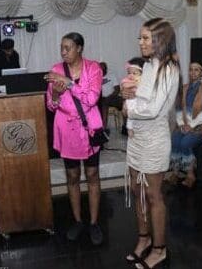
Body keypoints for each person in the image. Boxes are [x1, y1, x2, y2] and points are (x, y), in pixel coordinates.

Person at [121, 18, 180, 269]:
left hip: (155, 138)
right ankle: (144, 239)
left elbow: (154, 109)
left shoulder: (169, 69)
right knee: (137, 191)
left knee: (154, 195)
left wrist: (129, 109)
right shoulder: (149, 65)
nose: (140, 42)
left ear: (160, 40)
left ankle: (160, 249)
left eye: (145, 38)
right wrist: (128, 97)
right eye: (140, 37)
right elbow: (136, 97)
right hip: (137, 138)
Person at [44, 32, 104, 245]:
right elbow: (50, 105)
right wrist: (57, 94)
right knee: (72, 176)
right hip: (66, 130)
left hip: (89, 128)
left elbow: (91, 98)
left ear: (79, 48)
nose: (63, 52)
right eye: (62, 48)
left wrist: (69, 84)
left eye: (67, 47)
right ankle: (78, 221)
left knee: (92, 173)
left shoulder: (94, 68)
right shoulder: (56, 70)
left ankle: (95, 222)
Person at [169, 62, 202, 188]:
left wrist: (192, 126)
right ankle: (175, 172)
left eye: (196, 70)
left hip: (201, 127)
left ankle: (190, 175)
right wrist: (181, 124)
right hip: (184, 125)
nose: (193, 72)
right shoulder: (185, 88)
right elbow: (178, 108)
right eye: (190, 70)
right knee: (174, 140)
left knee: (185, 143)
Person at [121, 57, 145, 138]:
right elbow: (124, 85)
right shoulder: (127, 80)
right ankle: (129, 129)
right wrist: (135, 84)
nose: (131, 75)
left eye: (134, 73)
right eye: (129, 73)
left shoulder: (144, 80)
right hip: (130, 102)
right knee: (130, 117)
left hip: (141, 104)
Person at [99, 61, 119, 132]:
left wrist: (110, 96)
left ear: (106, 69)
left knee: (125, 102)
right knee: (104, 103)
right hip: (100, 99)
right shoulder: (96, 77)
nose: (102, 71)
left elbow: (117, 89)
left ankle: (125, 127)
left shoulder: (111, 75)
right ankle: (103, 129)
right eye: (100, 69)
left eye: (103, 69)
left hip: (112, 97)